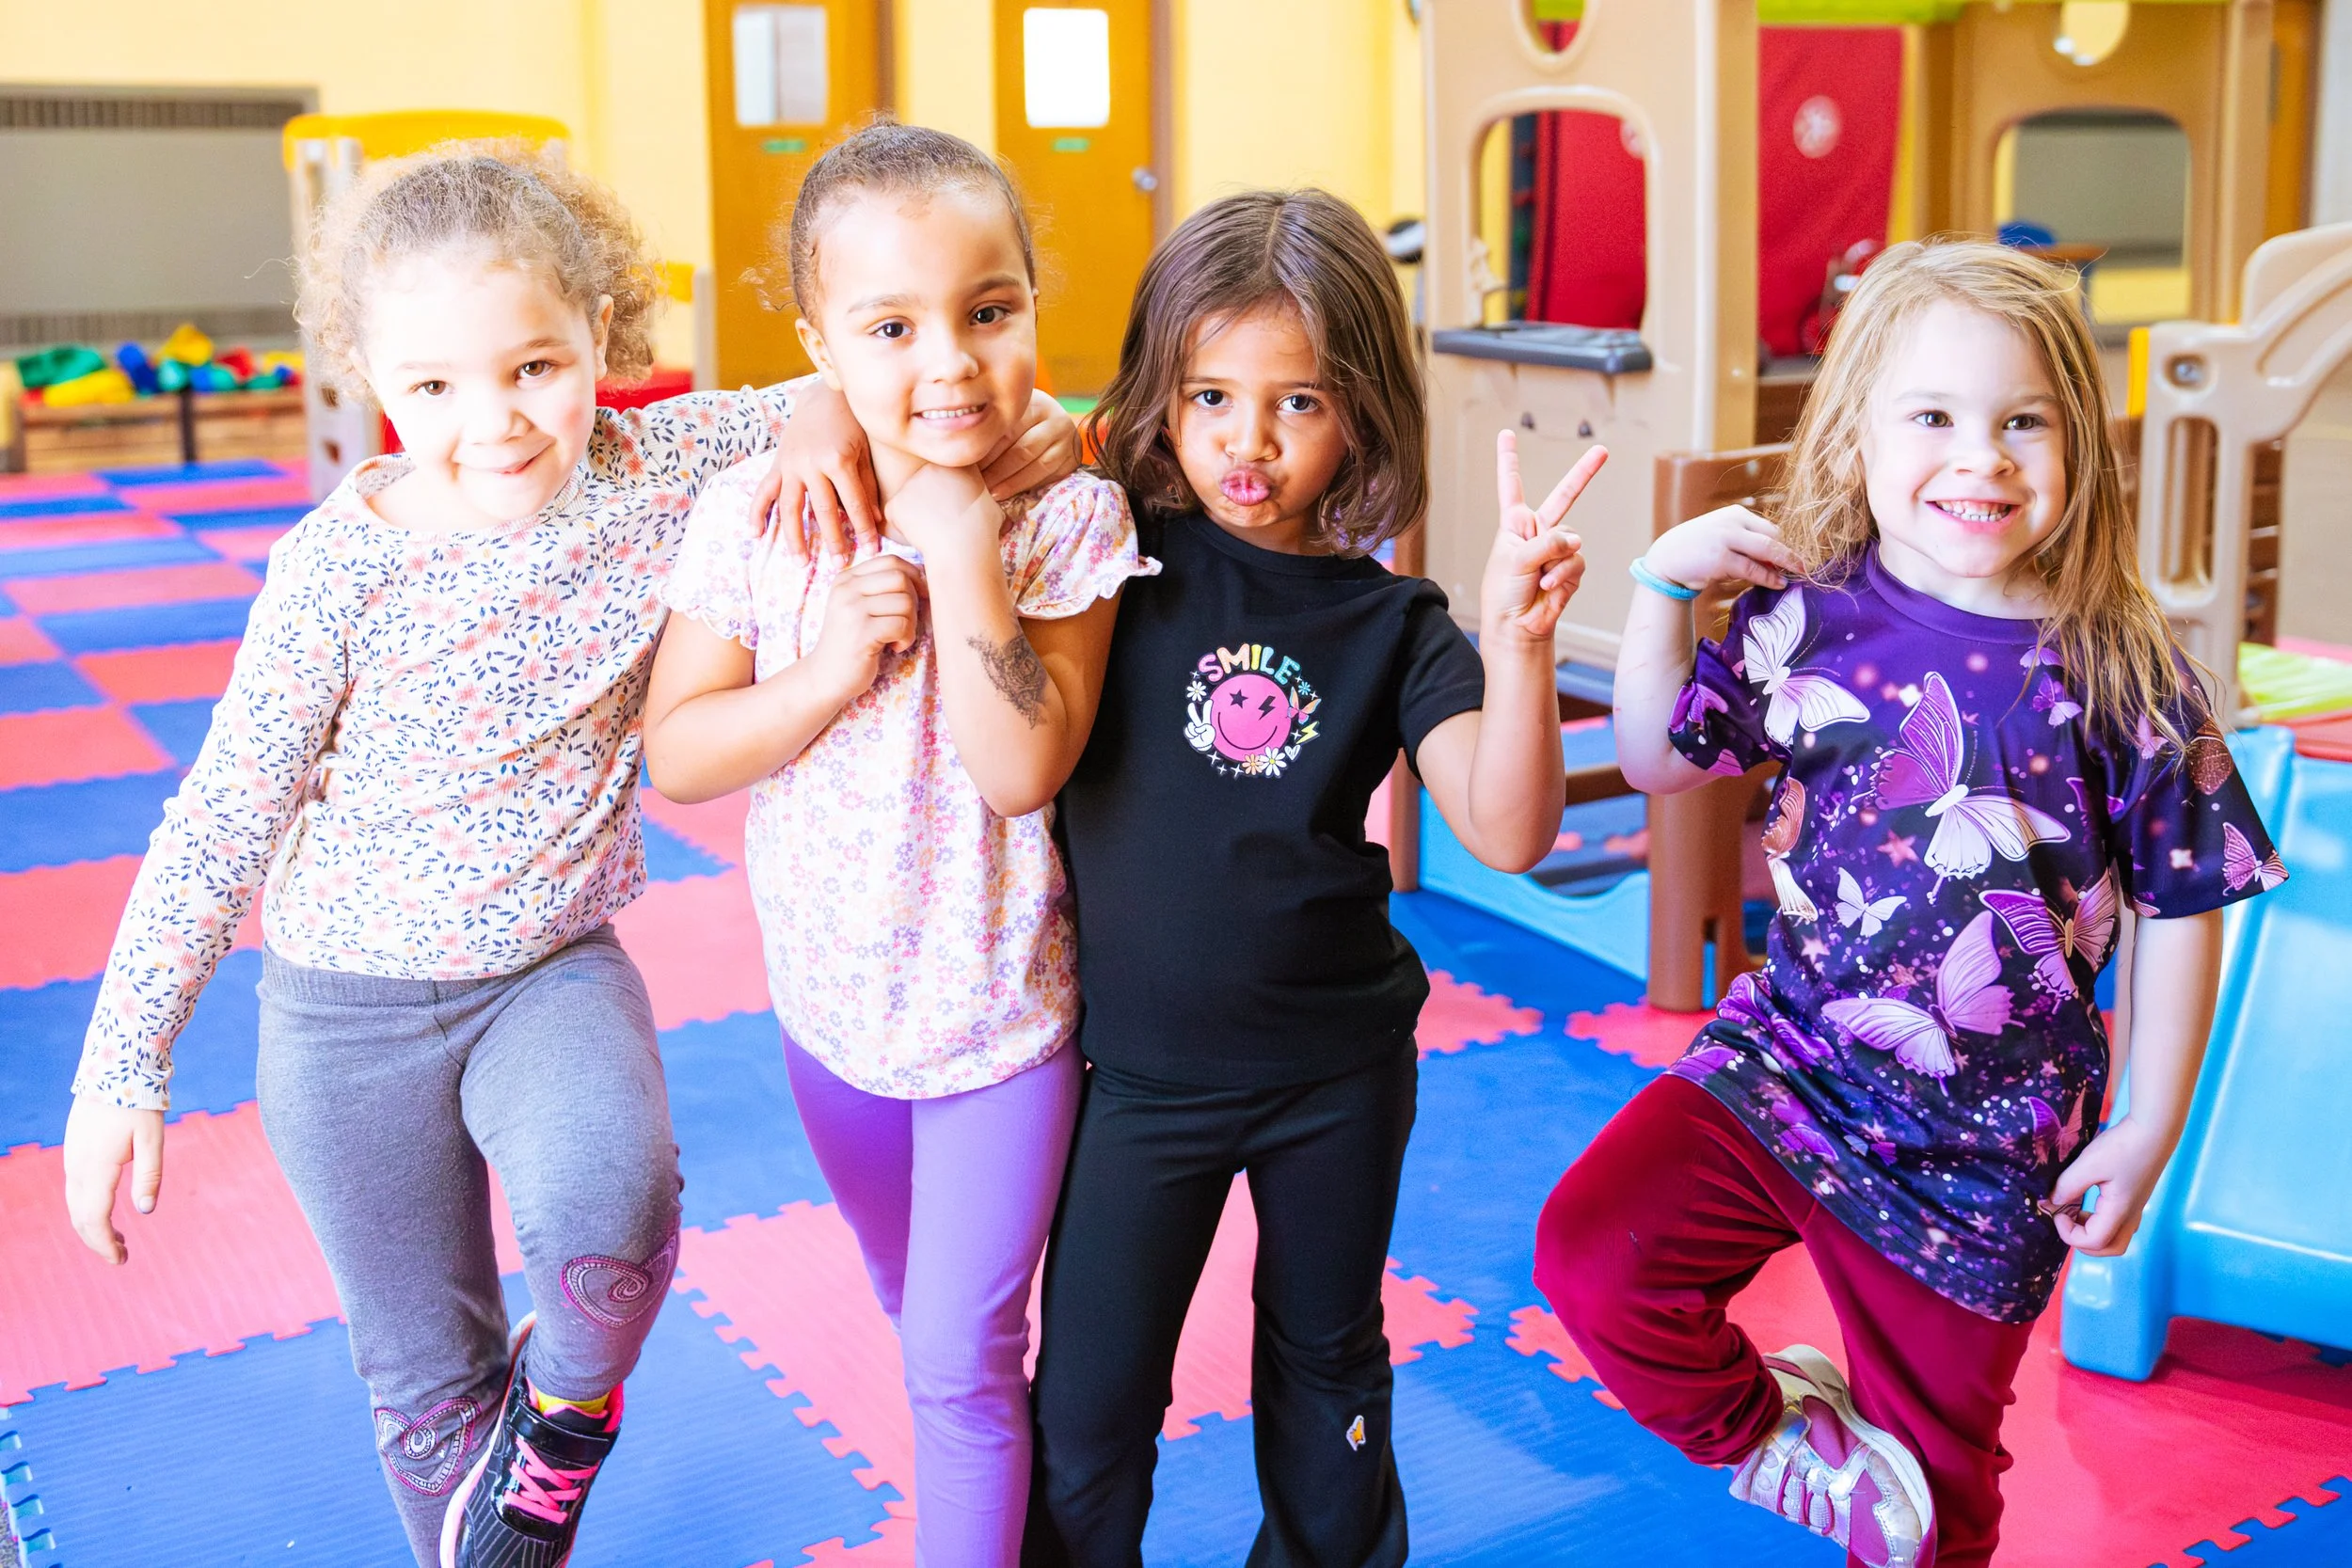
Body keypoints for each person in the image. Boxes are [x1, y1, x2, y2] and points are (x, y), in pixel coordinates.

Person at [54, 140, 1073, 1568]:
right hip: (341, 1013)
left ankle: (563, 1420)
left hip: (550, 971)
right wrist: (122, 1064)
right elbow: (220, 814)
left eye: (534, 366)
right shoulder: (336, 571)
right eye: (432, 389)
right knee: (421, 1384)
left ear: (604, 325)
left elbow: (878, 379)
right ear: (369, 381)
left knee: (620, 1214)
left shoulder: (659, 464)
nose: (497, 425)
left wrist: (869, 428)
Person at [1534, 238, 2286, 1568]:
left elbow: (2185, 902)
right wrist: (1659, 586)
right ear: (1859, 436)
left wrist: (2151, 1123)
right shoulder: (1809, 619)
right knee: (1596, 1252)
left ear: (2076, 446)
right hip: (1795, 1068)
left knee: (1933, 1510)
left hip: (1991, 1142)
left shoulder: (2126, 669)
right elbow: (1658, 757)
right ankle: (1794, 1436)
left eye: (2021, 422)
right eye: (1934, 417)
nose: (1982, 457)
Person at [1022, 189, 1596, 1568]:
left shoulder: (1393, 621)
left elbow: (1506, 828)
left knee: (1327, 1368)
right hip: (1139, 1077)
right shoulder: (1108, 556)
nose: (1248, 442)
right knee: (1089, 1410)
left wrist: (1518, 646)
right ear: (1161, 389)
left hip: (1334, 1068)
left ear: (1362, 419)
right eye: (1212, 395)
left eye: (1299, 405)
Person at [641, 122, 1151, 1568]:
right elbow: (679, 751)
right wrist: (823, 674)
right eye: (889, 325)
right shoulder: (764, 510)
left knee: (959, 1357)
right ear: (818, 341)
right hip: (828, 1020)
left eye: (990, 311)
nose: (950, 362)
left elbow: (1020, 766)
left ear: (1036, 304)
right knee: (907, 1297)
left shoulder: (1069, 515)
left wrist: (962, 542)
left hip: (1001, 1023)